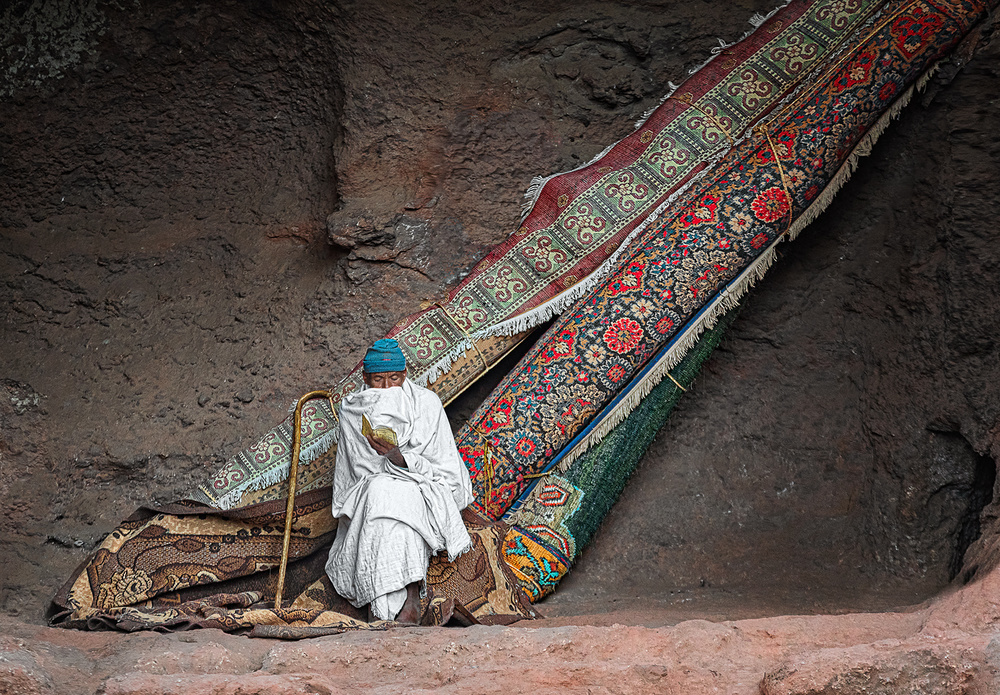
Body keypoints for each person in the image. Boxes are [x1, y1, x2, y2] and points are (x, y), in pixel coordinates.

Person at [324, 339, 473, 623]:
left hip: (420, 485)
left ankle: (404, 598)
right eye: (377, 380)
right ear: (365, 378)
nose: (386, 387)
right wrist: (385, 464)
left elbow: (442, 464)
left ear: (405, 375)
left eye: (394, 378)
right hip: (369, 487)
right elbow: (356, 468)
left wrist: (400, 459)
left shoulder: (426, 403)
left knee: (394, 496)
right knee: (380, 493)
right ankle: (397, 600)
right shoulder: (353, 409)